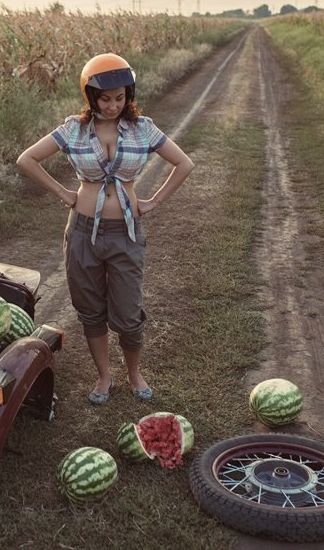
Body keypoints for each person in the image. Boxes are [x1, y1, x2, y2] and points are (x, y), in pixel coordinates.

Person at [17, 53, 194, 404]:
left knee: (128, 314)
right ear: (90, 97)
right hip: (83, 232)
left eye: (120, 97)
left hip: (125, 233)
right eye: (105, 98)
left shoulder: (143, 128)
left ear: (128, 95)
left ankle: (134, 373)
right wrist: (64, 193)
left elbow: (184, 163)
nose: (113, 105)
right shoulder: (74, 129)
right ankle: (104, 376)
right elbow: (27, 159)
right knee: (90, 308)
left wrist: (153, 201)